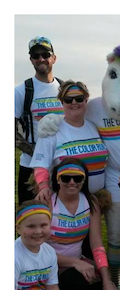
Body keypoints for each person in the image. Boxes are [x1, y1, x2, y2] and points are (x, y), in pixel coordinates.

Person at [47, 159, 117, 290]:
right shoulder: (48, 204)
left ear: (84, 180)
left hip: (78, 264)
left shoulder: (91, 203)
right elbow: (38, 250)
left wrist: (107, 280)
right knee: (81, 285)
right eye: (66, 178)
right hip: (50, 266)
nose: (72, 182)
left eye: (77, 178)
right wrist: (74, 262)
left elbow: (97, 245)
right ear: (58, 179)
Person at [31, 80, 108, 201]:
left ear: (86, 100)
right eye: (68, 100)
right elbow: (41, 165)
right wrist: (43, 186)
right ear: (62, 102)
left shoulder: (94, 127)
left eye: (79, 98)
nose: (74, 102)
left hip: (95, 201)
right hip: (65, 201)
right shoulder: (51, 129)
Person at [15, 36, 63, 204]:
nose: (41, 59)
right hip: (31, 167)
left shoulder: (65, 90)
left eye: (45, 54)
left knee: (59, 221)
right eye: (36, 56)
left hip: (61, 167)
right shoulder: (22, 91)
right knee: (31, 221)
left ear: (54, 58)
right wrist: (37, 153)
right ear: (31, 60)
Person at [15, 201, 64, 290]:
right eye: (31, 226)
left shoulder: (49, 252)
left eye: (43, 225)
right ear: (18, 228)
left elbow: (52, 289)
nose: (38, 231)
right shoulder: (14, 256)